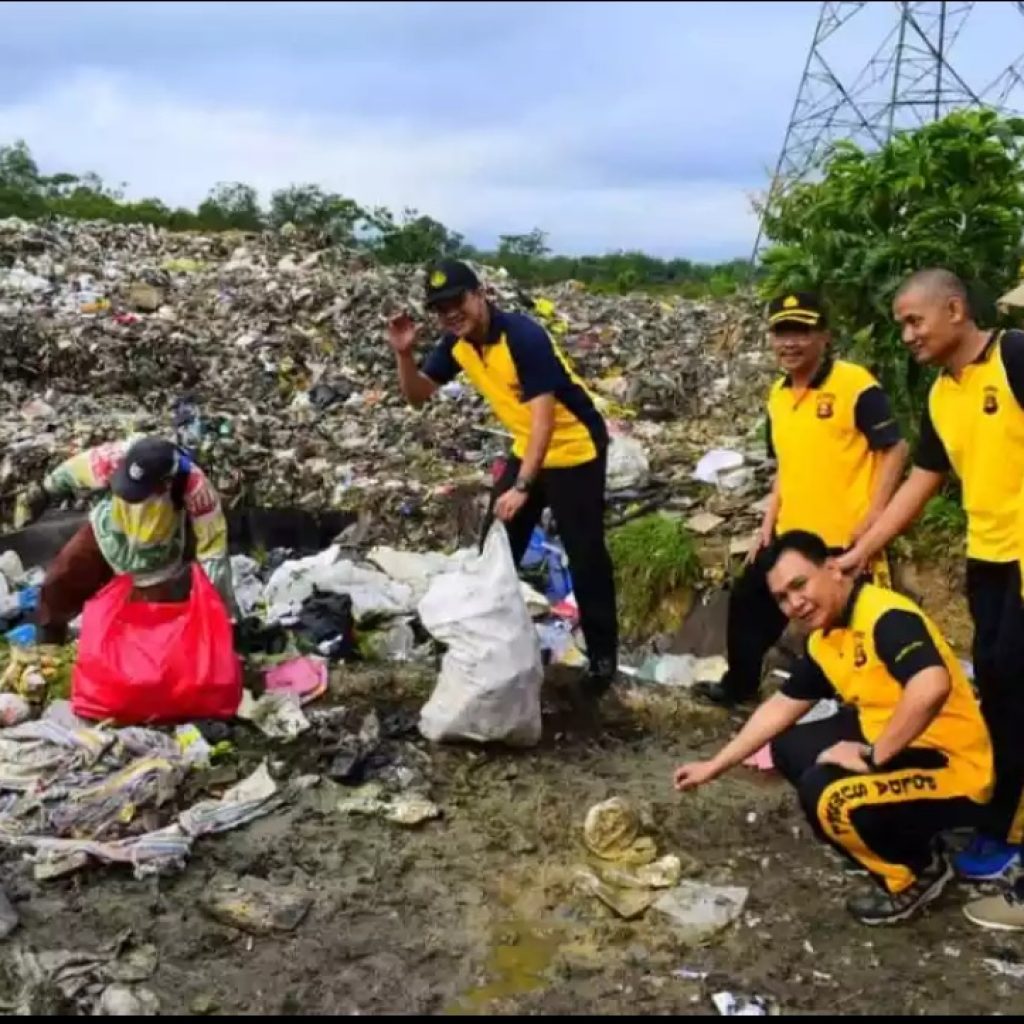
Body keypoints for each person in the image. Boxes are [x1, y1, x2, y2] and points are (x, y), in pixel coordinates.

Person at [675, 531, 993, 926]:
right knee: (790, 747)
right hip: (898, 744)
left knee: (828, 797)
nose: (795, 603)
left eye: (800, 585)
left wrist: (874, 757)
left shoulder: (886, 617)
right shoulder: (825, 638)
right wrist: (713, 766)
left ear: (832, 569)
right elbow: (781, 706)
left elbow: (931, 685)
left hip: (955, 765)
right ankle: (897, 837)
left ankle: (915, 874)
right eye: (782, 598)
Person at [837, 268, 1024, 891]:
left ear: (954, 309)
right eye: (902, 325)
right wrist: (862, 549)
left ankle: (1011, 836)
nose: (908, 335)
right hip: (989, 560)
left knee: (1018, 692)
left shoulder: (1015, 356)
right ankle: (999, 818)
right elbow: (921, 482)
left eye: (915, 321)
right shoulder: (943, 395)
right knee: (997, 688)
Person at [387, 258, 618, 695]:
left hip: (575, 450)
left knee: (584, 553)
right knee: (497, 548)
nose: (450, 313)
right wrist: (404, 354)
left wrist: (522, 487)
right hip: (526, 447)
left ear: (479, 294)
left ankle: (604, 661)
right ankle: (494, 646)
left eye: (457, 301)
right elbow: (418, 396)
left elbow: (545, 422)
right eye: (440, 308)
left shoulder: (523, 337)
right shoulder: (456, 345)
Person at [694, 291, 908, 708]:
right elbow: (785, 468)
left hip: (842, 540)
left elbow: (894, 449)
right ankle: (740, 687)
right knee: (748, 600)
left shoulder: (854, 384)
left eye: (802, 331)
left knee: (847, 628)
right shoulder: (778, 396)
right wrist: (765, 526)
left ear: (824, 336)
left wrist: (876, 517)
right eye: (781, 331)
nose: (790, 342)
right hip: (790, 535)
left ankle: (865, 707)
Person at [18, 435, 237, 643]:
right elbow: (74, 470)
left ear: (165, 483)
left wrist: (223, 616)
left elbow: (213, 553)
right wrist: (42, 492)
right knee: (61, 579)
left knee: (146, 626)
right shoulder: (116, 457)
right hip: (109, 534)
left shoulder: (196, 489)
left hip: (155, 562)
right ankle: (48, 642)